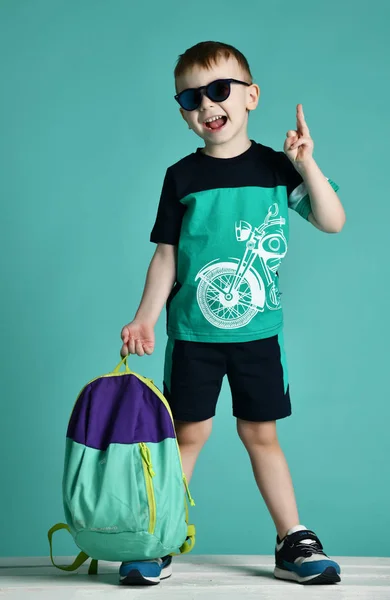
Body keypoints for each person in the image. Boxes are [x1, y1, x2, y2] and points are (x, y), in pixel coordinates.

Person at [119, 41, 346, 587]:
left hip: (258, 334)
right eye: (191, 97)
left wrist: (306, 164)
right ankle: (160, 534)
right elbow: (167, 257)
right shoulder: (181, 177)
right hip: (193, 335)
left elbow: (332, 220)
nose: (207, 104)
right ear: (184, 113)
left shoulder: (276, 166)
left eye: (219, 90)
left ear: (250, 96)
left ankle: (292, 539)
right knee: (188, 434)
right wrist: (145, 318)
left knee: (260, 433)